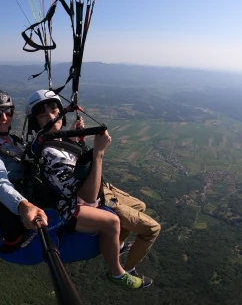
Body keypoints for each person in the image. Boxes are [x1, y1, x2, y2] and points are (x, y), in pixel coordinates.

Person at [0, 87, 105, 266]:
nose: (5, 118)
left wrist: (72, 134)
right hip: (26, 208)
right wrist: (24, 206)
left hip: (39, 191)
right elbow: (1, 183)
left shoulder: (7, 141)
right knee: (110, 219)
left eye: (8, 112)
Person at [26, 89, 152, 289]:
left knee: (140, 206)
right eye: (43, 114)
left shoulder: (52, 139)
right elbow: (88, 197)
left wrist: (76, 139)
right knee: (112, 221)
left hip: (74, 194)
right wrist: (99, 153)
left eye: (53, 110)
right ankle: (117, 273)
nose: (51, 116)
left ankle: (116, 246)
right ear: (35, 122)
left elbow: (70, 165)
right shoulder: (50, 152)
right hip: (68, 208)